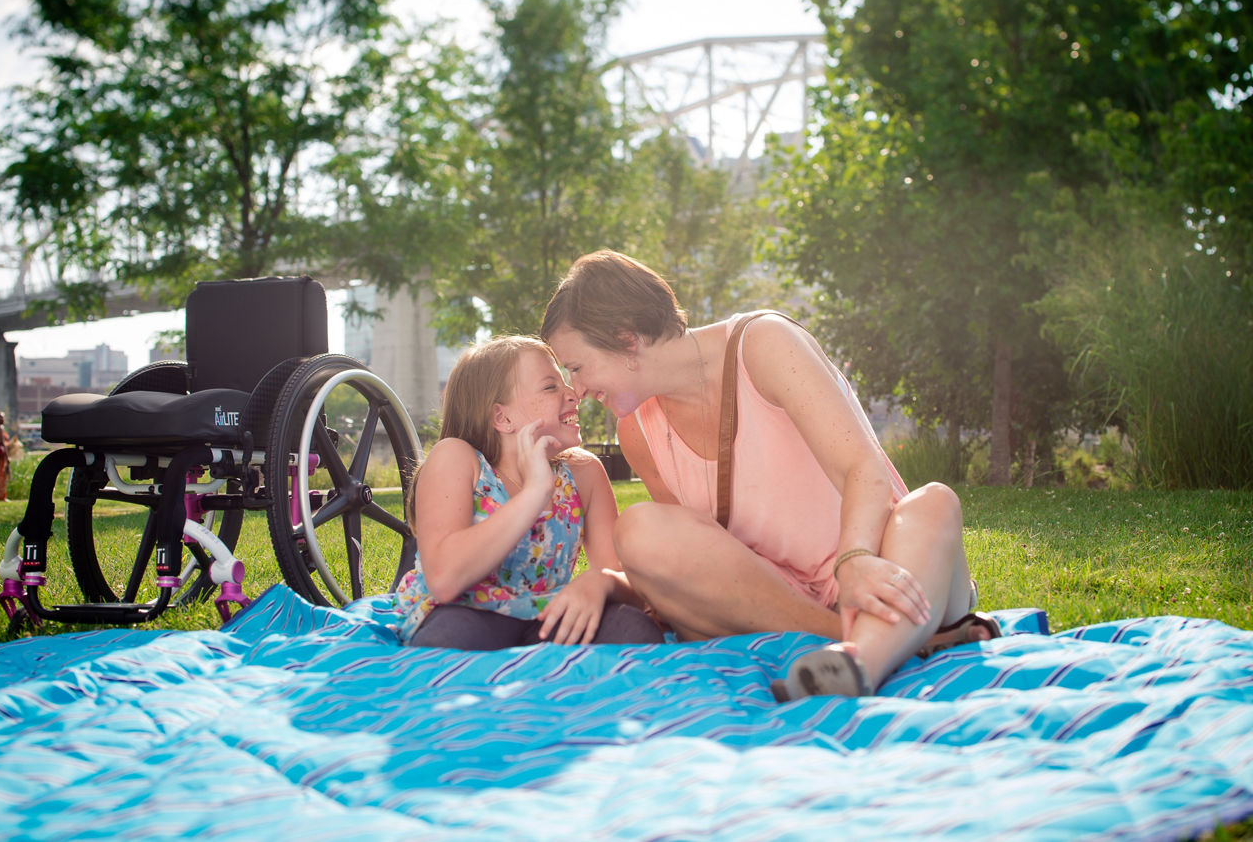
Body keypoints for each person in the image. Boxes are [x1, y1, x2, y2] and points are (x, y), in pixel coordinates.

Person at [541, 250, 999, 699]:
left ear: (626, 339)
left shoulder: (763, 344)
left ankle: (863, 663)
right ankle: (882, 643)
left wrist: (855, 558)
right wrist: (607, 579)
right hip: (779, 601)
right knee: (639, 529)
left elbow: (863, 468)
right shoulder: (636, 430)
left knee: (934, 503)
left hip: (885, 566)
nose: (575, 390)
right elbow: (697, 553)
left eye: (576, 368)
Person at [393, 335, 664, 650]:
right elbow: (444, 580)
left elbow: (627, 583)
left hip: (545, 617)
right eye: (551, 387)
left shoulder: (583, 473)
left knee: (633, 628)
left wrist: (603, 581)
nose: (574, 393)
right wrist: (534, 492)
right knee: (452, 639)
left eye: (565, 383)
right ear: (502, 418)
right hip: (463, 611)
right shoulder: (457, 458)